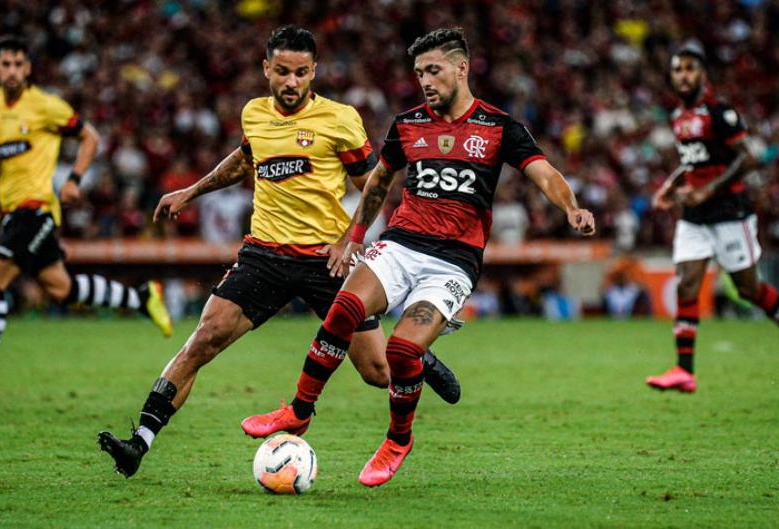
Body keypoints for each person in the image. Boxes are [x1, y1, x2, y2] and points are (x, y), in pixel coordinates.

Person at [97, 26, 460, 478]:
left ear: (314, 72)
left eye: (301, 73)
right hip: (263, 256)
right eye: (283, 72)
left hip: (326, 260)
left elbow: (373, 184)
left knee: (379, 374)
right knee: (202, 341)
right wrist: (190, 191)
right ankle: (139, 443)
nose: (291, 82)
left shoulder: (340, 119)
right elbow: (244, 161)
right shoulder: (253, 114)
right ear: (266, 68)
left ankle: (418, 356)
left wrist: (351, 238)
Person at [242, 27, 595, 487]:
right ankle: (300, 409)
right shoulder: (408, 124)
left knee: (403, 349)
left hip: (453, 261)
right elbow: (379, 181)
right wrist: (354, 236)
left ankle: (397, 439)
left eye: (434, 70)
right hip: (402, 243)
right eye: (419, 73)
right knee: (343, 308)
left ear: (461, 68)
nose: (425, 81)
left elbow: (545, 174)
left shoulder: (497, 126)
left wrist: (571, 207)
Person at [0, 36, 173, 399]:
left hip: (37, 208)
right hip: (11, 211)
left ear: (27, 68)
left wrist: (74, 179)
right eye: (6, 64)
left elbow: (89, 137)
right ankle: (141, 297)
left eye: (19, 64)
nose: (12, 70)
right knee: (62, 289)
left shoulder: (46, 106)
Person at [646, 41, 778, 393]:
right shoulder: (678, 117)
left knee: (748, 289)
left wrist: (709, 189)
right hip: (694, 216)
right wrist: (669, 187)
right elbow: (692, 162)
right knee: (688, 282)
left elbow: (748, 158)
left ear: (702, 73)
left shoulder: (720, 111)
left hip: (730, 213)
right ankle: (684, 370)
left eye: (690, 68)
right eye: (678, 69)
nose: (683, 75)